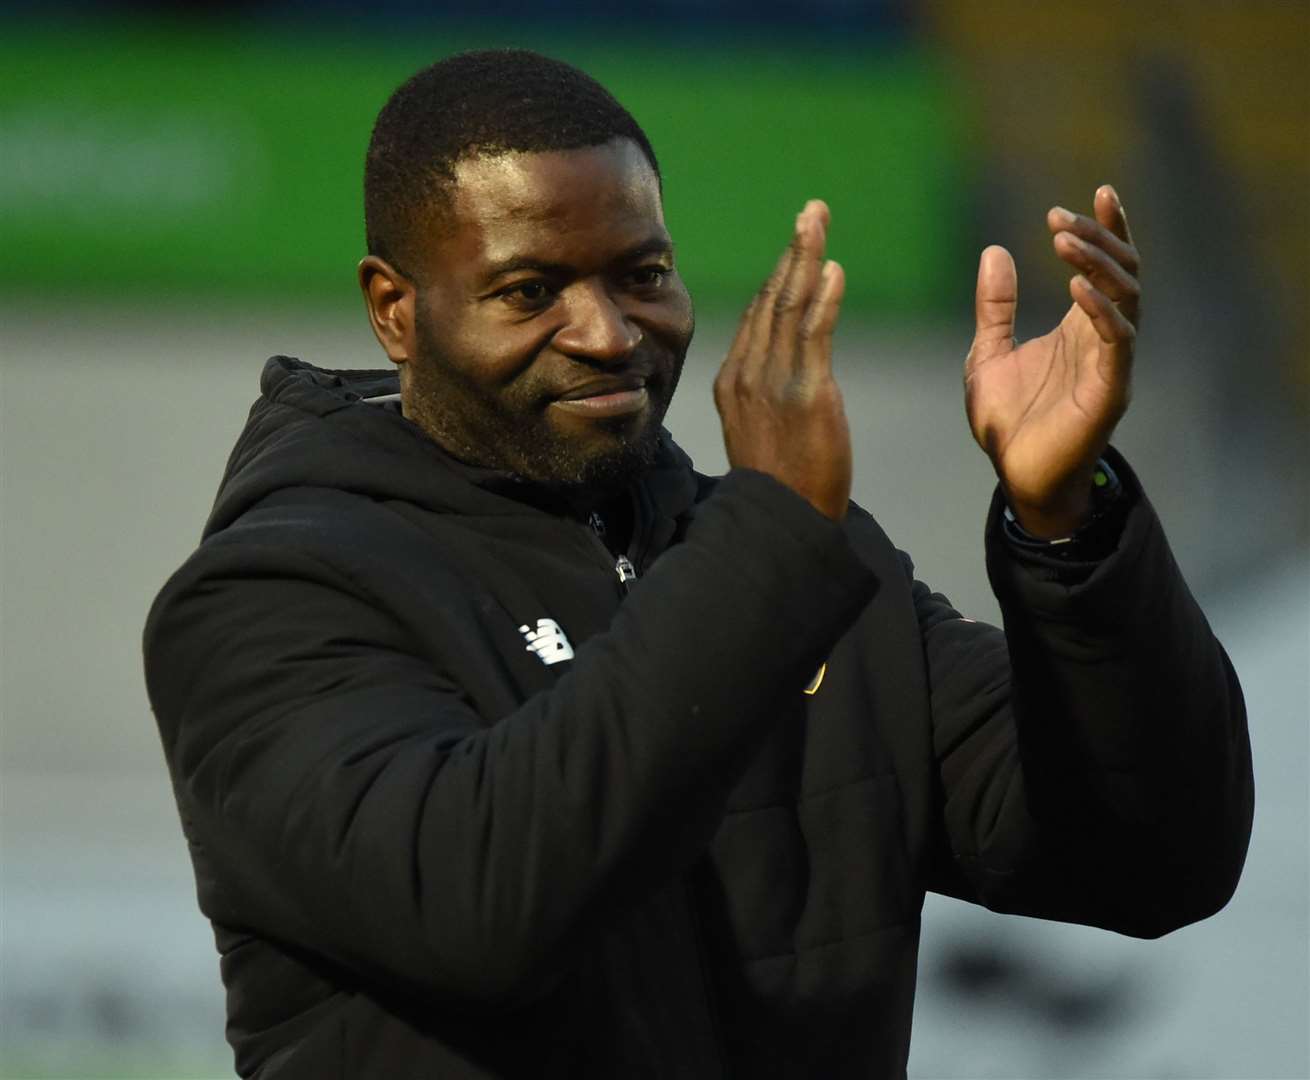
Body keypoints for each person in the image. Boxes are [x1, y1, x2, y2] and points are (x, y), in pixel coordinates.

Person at [143, 49, 1253, 1079]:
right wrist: (768, 539)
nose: (609, 332)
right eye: (530, 291)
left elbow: (1155, 860)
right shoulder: (267, 599)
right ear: (395, 309)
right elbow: (484, 907)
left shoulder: (808, 574)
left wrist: (1065, 525)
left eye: (642, 273)